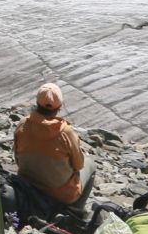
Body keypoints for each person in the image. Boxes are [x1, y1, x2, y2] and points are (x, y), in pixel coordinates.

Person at [13, 83, 94, 213]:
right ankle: (74, 210)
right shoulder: (66, 132)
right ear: (59, 106)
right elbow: (78, 165)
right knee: (91, 164)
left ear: (37, 103)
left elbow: (17, 158)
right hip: (60, 193)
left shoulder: (23, 124)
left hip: (27, 183)